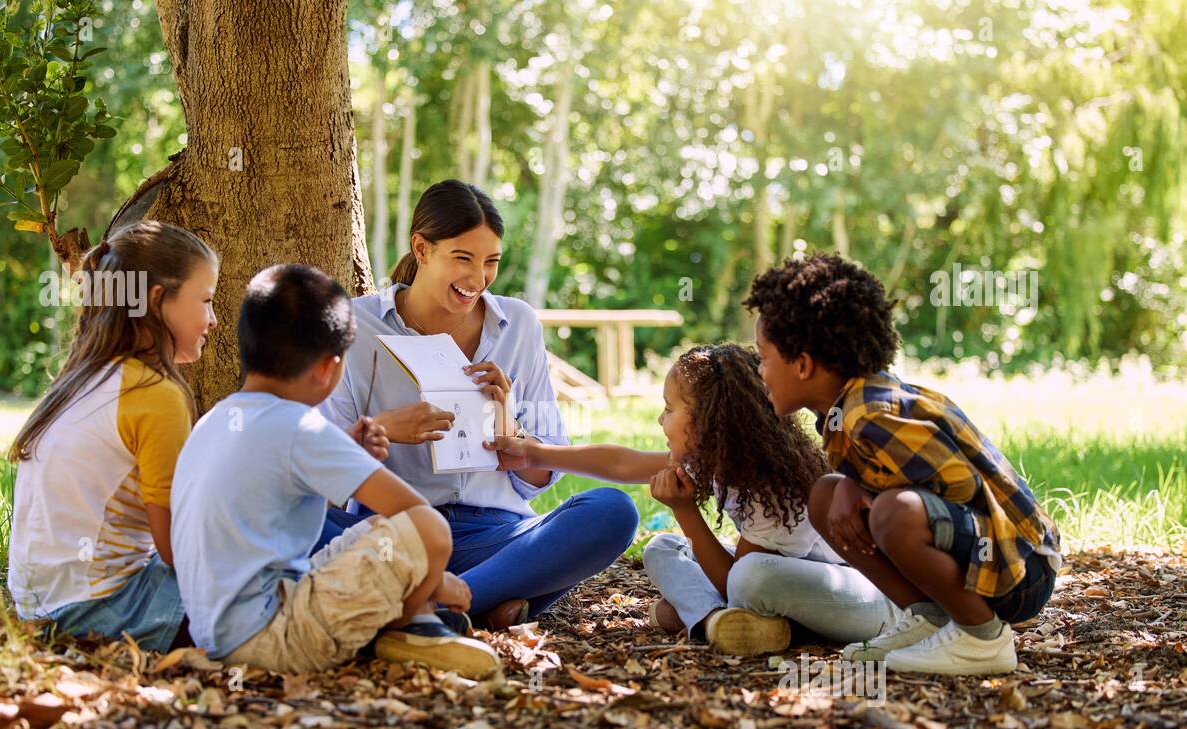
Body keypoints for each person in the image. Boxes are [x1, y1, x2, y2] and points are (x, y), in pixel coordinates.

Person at [319, 179, 638, 630]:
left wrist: (515, 439)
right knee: (295, 520)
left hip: (495, 534)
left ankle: (437, 611)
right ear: (422, 249)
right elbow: (322, 463)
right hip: (393, 530)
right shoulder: (356, 324)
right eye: (463, 258)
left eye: (491, 262)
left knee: (612, 511)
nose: (477, 279)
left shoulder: (518, 325)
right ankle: (484, 603)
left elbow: (545, 469)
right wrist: (385, 429)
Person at [171, 263, 499, 678]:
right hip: (276, 638)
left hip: (216, 633)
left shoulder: (216, 419)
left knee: (373, 530)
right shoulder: (301, 427)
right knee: (428, 530)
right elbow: (417, 516)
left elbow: (275, 493)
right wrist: (438, 583)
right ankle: (411, 623)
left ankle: (407, 622)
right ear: (329, 367)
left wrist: (345, 447)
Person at [748, 253, 1063, 675]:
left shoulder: (873, 414)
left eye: (763, 357)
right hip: (983, 552)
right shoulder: (844, 410)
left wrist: (867, 487)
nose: (759, 370)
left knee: (896, 514)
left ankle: (982, 639)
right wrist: (852, 483)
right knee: (826, 495)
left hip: (1020, 566)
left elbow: (960, 485)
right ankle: (928, 618)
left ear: (803, 365)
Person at [488, 344, 904, 656]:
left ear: (708, 422)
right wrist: (535, 452)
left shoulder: (773, 486)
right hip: (776, 583)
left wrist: (686, 512)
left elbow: (736, 581)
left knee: (751, 576)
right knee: (663, 547)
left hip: (863, 600)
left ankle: (715, 617)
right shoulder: (718, 460)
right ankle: (715, 622)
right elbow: (621, 462)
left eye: (669, 408)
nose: (659, 419)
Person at [7, 220, 218, 651]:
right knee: (261, 581)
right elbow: (178, 549)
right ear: (158, 301)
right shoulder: (155, 394)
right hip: (98, 611)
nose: (213, 320)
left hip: (37, 607)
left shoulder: (83, 377)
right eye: (206, 301)